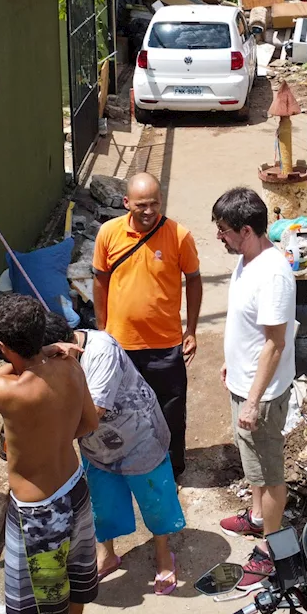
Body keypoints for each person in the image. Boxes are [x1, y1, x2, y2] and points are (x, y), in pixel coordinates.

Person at [0, 294, 100, 614]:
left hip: (39, 515)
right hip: (76, 491)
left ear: (2, 346)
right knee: (75, 579)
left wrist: (37, 353)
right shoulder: (71, 366)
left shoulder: (6, 390)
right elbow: (89, 424)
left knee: (44, 602)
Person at [41, 314, 185, 594]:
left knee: (155, 499)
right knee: (102, 502)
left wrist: (47, 442)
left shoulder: (101, 351)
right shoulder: (51, 358)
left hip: (138, 435)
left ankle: (164, 555)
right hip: (96, 445)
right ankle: (107, 554)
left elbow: (94, 414)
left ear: (63, 347)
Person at [212, 187, 297, 588]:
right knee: (253, 463)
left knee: (270, 470)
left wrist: (253, 401)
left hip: (258, 395)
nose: (219, 237)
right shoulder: (247, 259)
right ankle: (258, 515)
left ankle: (271, 550)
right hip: (245, 383)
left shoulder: (273, 273)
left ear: (247, 230)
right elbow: (249, 325)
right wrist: (234, 358)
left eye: (224, 230)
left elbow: (275, 343)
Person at [92, 172, 202, 479]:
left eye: (154, 203)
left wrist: (190, 330)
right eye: (141, 204)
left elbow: (193, 280)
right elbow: (100, 279)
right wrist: (103, 331)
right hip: (121, 345)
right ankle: (123, 464)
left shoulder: (179, 235)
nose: (149, 211)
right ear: (127, 202)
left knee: (170, 410)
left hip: (166, 344)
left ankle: (171, 468)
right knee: (119, 411)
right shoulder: (108, 233)